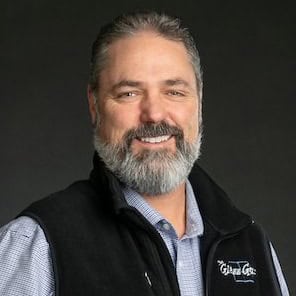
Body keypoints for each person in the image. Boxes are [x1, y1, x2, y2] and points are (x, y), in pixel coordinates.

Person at [0, 11, 289, 296]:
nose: (154, 114)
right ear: (94, 105)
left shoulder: (251, 244)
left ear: (199, 102)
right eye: (129, 93)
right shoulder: (38, 244)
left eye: (174, 91)